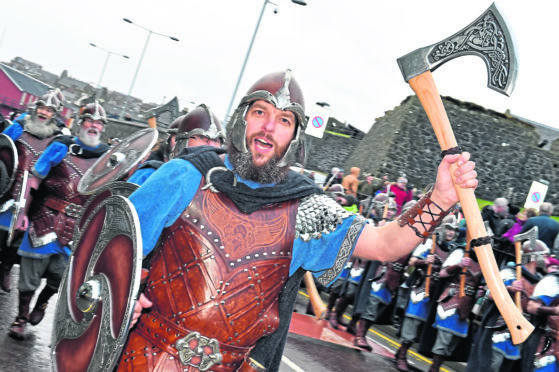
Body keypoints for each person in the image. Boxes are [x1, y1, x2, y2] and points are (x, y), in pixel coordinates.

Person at [110, 70, 477, 372]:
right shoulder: (186, 175)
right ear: (241, 120)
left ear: (294, 136)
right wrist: (123, 295)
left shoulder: (307, 207)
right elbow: (109, 249)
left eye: (284, 120)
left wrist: (441, 198)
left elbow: (384, 245)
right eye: (260, 113)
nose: (269, 127)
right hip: (145, 356)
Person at [7, 102, 110, 339]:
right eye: (89, 121)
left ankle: (42, 303)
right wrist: (23, 213)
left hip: (78, 227)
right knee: (30, 274)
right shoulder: (62, 146)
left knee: (58, 277)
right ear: (80, 123)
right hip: (47, 216)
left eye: (98, 123)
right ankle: (21, 318)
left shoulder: (107, 157)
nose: (93, 126)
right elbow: (34, 180)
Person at [0, 89, 66, 293]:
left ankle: (6, 269)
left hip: (36, 195)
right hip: (9, 187)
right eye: (41, 108)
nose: (44, 113)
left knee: (20, 236)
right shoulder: (19, 127)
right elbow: (3, 149)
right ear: (35, 108)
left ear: (54, 114)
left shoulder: (59, 139)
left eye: (49, 110)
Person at [466, 239, 547, 372]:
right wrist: (509, 288)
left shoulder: (540, 280)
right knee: (490, 366)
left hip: (520, 333)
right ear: (533, 257)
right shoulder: (510, 272)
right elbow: (490, 294)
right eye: (543, 255)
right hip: (500, 329)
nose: (546, 259)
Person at [395, 215, 462, 371]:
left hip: (436, 293)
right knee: (413, 322)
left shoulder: (453, 250)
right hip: (421, 288)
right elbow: (412, 262)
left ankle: (401, 353)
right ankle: (402, 355)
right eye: (449, 229)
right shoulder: (430, 243)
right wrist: (425, 261)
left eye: (455, 230)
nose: (451, 233)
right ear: (443, 228)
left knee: (424, 327)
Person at [127, 104, 224, 185]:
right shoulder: (150, 172)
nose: (211, 146)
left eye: (216, 140)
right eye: (201, 138)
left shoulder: (220, 185)